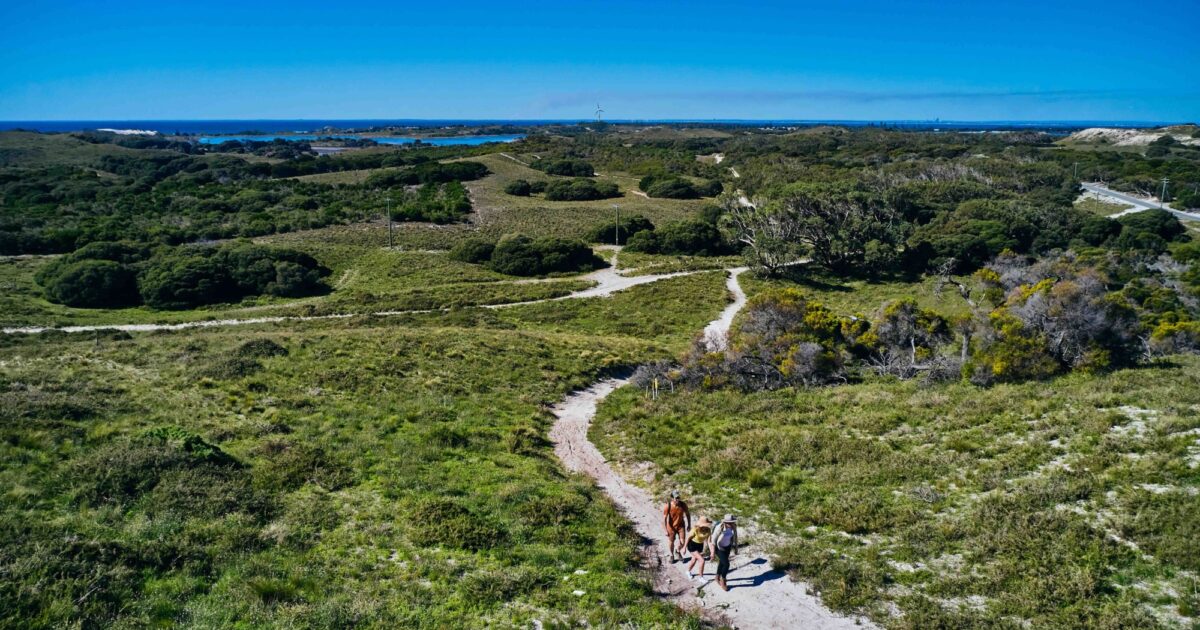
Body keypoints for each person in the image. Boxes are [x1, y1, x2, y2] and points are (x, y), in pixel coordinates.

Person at [709, 514, 739, 591]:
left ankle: (717, 577)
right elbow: (713, 541)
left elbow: (735, 537)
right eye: (728, 523)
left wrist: (736, 549)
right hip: (719, 548)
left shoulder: (733, 526)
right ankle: (723, 580)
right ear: (725, 522)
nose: (730, 524)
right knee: (726, 564)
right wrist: (712, 553)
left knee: (722, 563)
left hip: (727, 547)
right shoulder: (720, 528)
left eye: (731, 522)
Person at [662, 490, 690, 561]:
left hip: (681, 526)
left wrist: (689, 524)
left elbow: (687, 514)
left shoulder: (683, 505)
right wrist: (665, 530)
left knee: (683, 542)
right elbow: (664, 519)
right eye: (676, 498)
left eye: (678, 497)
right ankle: (672, 555)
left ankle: (677, 551)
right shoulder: (668, 506)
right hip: (671, 527)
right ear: (672, 498)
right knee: (671, 541)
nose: (677, 499)